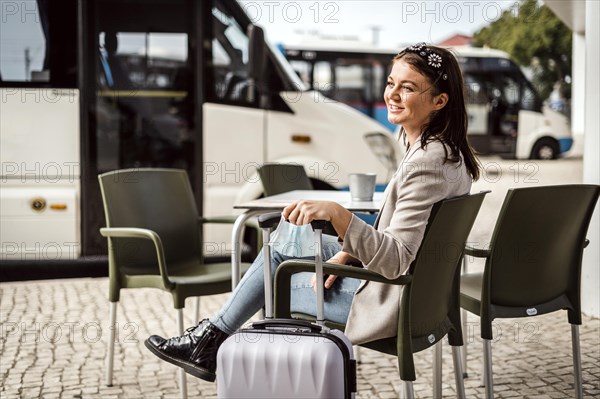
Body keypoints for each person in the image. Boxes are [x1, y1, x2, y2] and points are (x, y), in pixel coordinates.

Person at [144, 42, 481, 382]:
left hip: (390, 304)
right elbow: (411, 244)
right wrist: (347, 253)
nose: (393, 94)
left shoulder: (426, 162)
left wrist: (338, 213)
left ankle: (213, 342)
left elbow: (396, 260)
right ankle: (210, 340)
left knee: (276, 279)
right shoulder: (447, 153)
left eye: (407, 88)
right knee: (290, 234)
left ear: (440, 101)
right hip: (422, 298)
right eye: (391, 82)